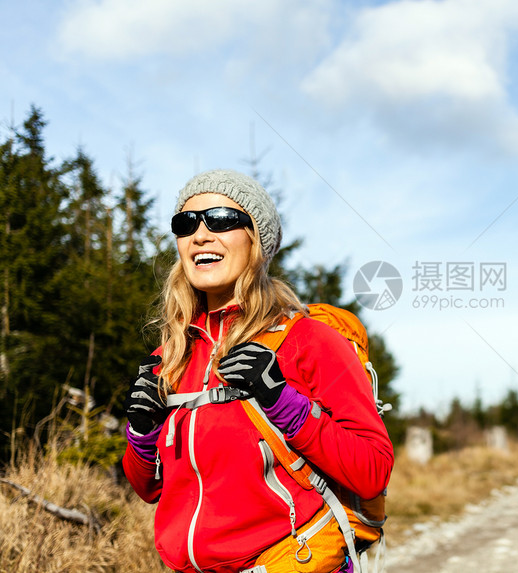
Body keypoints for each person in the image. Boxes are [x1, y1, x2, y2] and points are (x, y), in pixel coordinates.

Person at [122, 169, 394, 573]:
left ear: (258, 242)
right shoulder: (171, 356)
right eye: (186, 223)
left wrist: (285, 404)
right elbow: (149, 489)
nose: (200, 235)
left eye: (221, 220)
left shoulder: (307, 341)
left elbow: (372, 470)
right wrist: (141, 435)